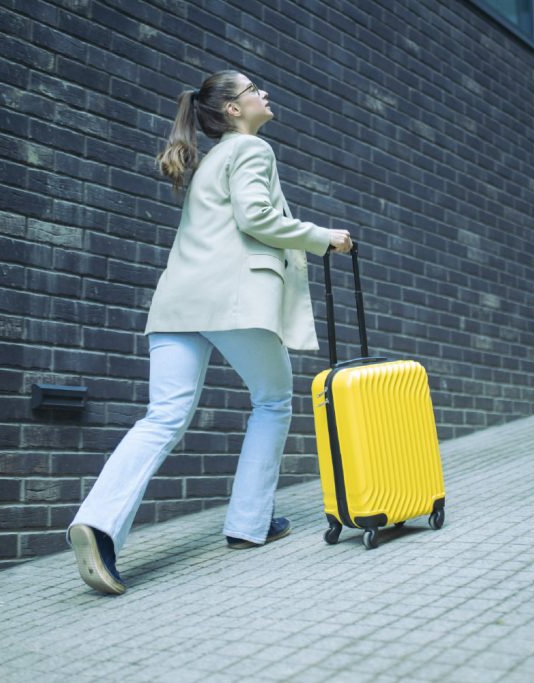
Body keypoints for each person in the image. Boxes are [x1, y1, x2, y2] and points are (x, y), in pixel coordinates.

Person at [67, 70, 353, 595]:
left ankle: (100, 525)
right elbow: (257, 217)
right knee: (272, 400)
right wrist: (322, 236)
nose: (265, 94)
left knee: (163, 417)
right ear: (232, 111)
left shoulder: (207, 162)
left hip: (177, 304)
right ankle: (248, 524)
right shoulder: (250, 151)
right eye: (253, 91)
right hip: (232, 301)